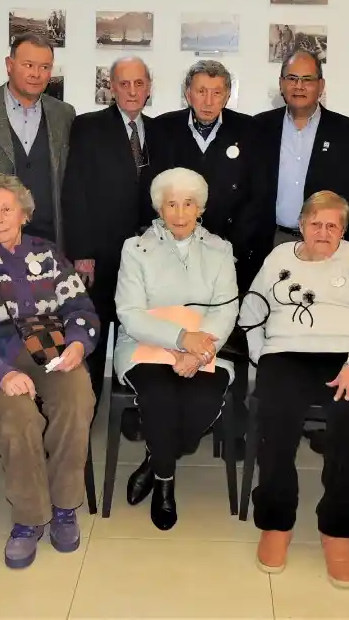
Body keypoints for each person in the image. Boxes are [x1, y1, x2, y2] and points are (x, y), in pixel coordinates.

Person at [0, 174, 98, 570]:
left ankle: (65, 504)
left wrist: (78, 343)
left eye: (6, 210)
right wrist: (1, 373)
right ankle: (29, 519)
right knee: (18, 416)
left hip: (47, 350)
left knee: (78, 394)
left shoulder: (47, 254)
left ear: (24, 214)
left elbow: (79, 307)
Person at [239, 191, 349, 588]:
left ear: (343, 230)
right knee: (276, 415)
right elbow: (251, 311)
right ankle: (275, 521)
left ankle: (338, 530)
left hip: (348, 357)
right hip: (287, 353)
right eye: (316, 223)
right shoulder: (278, 259)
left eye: (333, 225)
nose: (323, 232)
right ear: (302, 225)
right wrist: (260, 358)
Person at [148, 60, 266, 454]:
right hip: (171, 248)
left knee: (228, 333)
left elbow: (256, 198)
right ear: (187, 92)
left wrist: (227, 250)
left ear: (228, 94)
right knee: (170, 325)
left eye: (217, 92)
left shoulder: (249, 131)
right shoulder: (162, 128)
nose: (209, 100)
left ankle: (229, 419)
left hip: (229, 254)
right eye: (201, 91)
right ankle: (157, 410)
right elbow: (151, 193)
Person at [113, 167, 238, 530]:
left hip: (205, 347)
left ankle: (155, 459)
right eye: (171, 204)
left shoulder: (220, 250)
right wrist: (181, 340)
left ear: (200, 208)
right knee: (161, 396)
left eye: (188, 204)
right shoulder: (136, 250)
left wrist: (197, 351)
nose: (180, 213)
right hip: (145, 343)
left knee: (201, 400)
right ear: (159, 209)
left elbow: (226, 308)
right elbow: (129, 312)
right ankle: (165, 483)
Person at [62, 56, 154, 409]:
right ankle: (87, 407)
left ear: (148, 87)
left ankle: (133, 410)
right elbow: (76, 191)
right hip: (99, 253)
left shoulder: (158, 130)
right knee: (95, 332)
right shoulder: (88, 127)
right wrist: (82, 254)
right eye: (124, 84)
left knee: (137, 333)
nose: (132, 91)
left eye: (139, 84)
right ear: (111, 87)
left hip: (145, 256)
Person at [0, 32, 76, 244]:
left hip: (50, 241)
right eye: (28, 65)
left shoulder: (64, 114)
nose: (36, 74)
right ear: (9, 64)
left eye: (44, 67)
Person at [253, 49, 349, 254]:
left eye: (307, 79)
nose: (299, 86)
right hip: (269, 242)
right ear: (281, 83)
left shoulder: (345, 131)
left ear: (321, 86)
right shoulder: (259, 126)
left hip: (326, 243)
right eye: (292, 78)